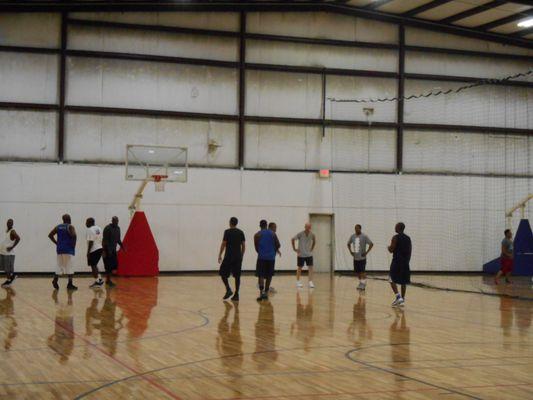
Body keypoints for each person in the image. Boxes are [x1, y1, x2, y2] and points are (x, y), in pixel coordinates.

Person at [218, 217, 245, 302]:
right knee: (237, 276)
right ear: (236, 223)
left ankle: (228, 289)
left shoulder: (227, 232)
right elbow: (243, 245)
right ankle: (236, 294)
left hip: (228, 256)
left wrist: (220, 254)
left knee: (222, 273)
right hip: (237, 257)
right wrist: (241, 256)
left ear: (230, 223)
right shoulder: (241, 232)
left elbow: (224, 243)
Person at [48, 214, 77, 291]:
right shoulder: (70, 226)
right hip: (68, 249)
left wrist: (56, 243)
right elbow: (74, 236)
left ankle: (55, 280)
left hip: (59, 249)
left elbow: (50, 235)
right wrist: (73, 246)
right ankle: (70, 284)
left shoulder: (58, 227)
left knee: (59, 265)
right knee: (70, 266)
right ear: (69, 219)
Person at [254, 220, 280, 301]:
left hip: (261, 257)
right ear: (266, 225)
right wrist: (273, 251)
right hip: (271, 258)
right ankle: (266, 291)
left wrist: (261, 252)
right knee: (269, 275)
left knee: (261, 275)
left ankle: (261, 292)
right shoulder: (273, 233)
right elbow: (278, 244)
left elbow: (256, 247)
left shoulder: (257, 235)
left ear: (260, 225)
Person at [388, 222, 411, 307]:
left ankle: (398, 297)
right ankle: (402, 300)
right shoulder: (408, 238)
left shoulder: (395, 237)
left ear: (398, 228)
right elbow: (410, 251)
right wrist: (407, 261)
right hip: (405, 262)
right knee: (403, 281)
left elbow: (391, 249)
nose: (394, 227)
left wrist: (388, 248)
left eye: (395, 226)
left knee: (391, 278)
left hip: (396, 262)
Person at [347, 224, 373, 290]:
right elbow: (348, 244)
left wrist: (366, 252)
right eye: (355, 228)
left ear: (360, 229)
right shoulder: (352, 236)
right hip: (355, 257)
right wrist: (351, 251)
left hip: (362, 258)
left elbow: (371, 244)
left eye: (357, 228)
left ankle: (363, 284)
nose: (356, 230)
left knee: (362, 271)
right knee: (358, 272)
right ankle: (361, 283)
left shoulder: (364, 236)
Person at [292, 223, 316, 288]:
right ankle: (298, 281)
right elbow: (293, 239)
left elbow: (314, 241)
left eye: (309, 227)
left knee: (310, 267)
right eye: (307, 227)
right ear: (305, 227)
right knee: (300, 267)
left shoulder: (312, 234)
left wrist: (311, 249)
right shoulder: (300, 234)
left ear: (310, 227)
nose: (308, 228)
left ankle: (310, 282)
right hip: (301, 254)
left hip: (309, 254)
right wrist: (294, 249)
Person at [102, 216, 124, 288]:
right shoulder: (107, 228)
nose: (116, 222)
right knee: (108, 266)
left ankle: (108, 279)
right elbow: (104, 240)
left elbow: (118, 239)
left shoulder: (118, 228)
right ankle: (108, 281)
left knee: (113, 266)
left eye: (117, 221)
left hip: (113, 250)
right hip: (107, 250)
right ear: (112, 221)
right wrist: (104, 251)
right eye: (115, 221)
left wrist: (123, 247)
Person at [0, 219, 20, 288]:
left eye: (10, 223)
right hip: (3, 253)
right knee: (5, 269)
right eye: (8, 222)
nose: (9, 223)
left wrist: (11, 247)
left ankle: (11, 278)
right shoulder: (7, 231)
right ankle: (10, 279)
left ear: (12, 224)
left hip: (9, 254)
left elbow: (18, 238)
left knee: (8, 269)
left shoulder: (12, 231)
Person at [86, 218, 104, 289]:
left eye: (86, 222)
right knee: (95, 265)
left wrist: (88, 252)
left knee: (93, 265)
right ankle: (99, 279)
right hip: (100, 248)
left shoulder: (90, 229)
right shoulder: (99, 228)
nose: (86, 224)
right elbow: (102, 239)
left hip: (94, 250)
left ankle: (97, 282)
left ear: (90, 222)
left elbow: (91, 242)